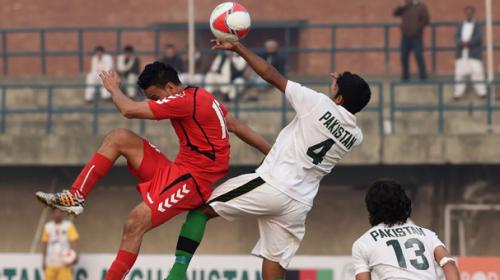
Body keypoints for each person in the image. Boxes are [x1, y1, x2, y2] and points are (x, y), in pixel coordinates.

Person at [36, 62, 271, 280]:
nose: (156, 102)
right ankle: (75, 196)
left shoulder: (183, 101)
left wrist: (113, 89)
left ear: (170, 87)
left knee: (134, 223)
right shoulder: (202, 96)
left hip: (193, 182)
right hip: (177, 170)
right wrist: (273, 151)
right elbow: (237, 126)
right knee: (119, 137)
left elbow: (127, 109)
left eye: (156, 97)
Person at [165, 39, 372, 280]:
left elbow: (270, 74)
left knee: (200, 211)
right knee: (273, 268)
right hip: (299, 204)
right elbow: (342, 111)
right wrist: (342, 88)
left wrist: (238, 48)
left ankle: (176, 276)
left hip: (273, 184)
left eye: (337, 88)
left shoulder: (317, 103)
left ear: (339, 99)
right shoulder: (355, 136)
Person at [352, 179, 460, 280]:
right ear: (404, 202)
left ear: (371, 207)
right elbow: (448, 263)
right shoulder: (427, 235)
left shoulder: (363, 243)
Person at [454, 6, 487, 99]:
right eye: (467, 13)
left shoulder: (478, 25)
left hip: (474, 53)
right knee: (460, 74)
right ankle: (458, 94)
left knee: (477, 73)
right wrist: (462, 43)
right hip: (461, 53)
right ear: (465, 14)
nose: (468, 14)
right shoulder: (460, 25)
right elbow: (456, 36)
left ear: (473, 14)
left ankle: (482, 93)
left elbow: (479, 37)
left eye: (470, 13)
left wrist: (469, 43)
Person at [394, 0, 430, 81]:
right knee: (404, 56)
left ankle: (423, 76)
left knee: (418, 55)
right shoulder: (405, 6)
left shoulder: (421, 7)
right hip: (405, 37)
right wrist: (401, 6)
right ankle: (405, 77)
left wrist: (418, 28)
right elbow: (395, 13)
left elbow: (426, 20)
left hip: (417, 37)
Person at [42, 209, 79, 280]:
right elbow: (45, 244)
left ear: (62, 213)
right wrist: (43, 260)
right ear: (52, 214)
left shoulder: (68, 226)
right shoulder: (48, 227)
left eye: (59, 212)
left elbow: (74, 242)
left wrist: (75, 256)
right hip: (51, 263)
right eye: (55, 212)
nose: (57, 214)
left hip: (64, 264)